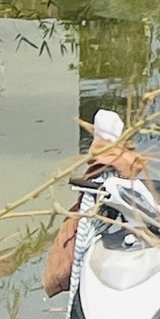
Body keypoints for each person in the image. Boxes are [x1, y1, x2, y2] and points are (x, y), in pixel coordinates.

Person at [42, 110, 147, 298]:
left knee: (81, 264)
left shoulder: (102, 172)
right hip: (105, 233)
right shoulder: (121, 172)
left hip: (95, 234)